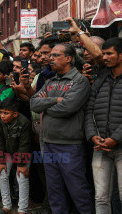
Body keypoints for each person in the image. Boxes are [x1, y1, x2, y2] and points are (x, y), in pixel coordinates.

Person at [30, 44, 94, 213]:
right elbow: (33, 103)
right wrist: (55, 100)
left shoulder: (80, 81)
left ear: (68, 58)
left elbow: (67, 108)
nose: (50, 58)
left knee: (78, 191)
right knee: (55, 192)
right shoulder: (50, 81)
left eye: (55, 55)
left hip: (70, 145)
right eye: (50, 55)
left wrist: (46, 105)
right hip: (48, 143)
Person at [85, 37, 122, 213]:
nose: (105, 57)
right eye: (104, 53)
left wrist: (115, 138)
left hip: (119, 147)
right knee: (100, 198)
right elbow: (89, 109)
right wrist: (92, 135)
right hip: (100, 147)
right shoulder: (101, 79)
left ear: (121, 56)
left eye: (109, 53)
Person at [0, 98, 32, 214]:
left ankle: (22, 210)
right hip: (6, 152)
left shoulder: (24, 122)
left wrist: (21, 164)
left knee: (22, 176)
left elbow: (24, 145)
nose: (2, 116)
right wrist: (1, 161)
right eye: (1, 112)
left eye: (6, 113)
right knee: (2, 174)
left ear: (15, 114)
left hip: (22, 152)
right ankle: (7, 206)